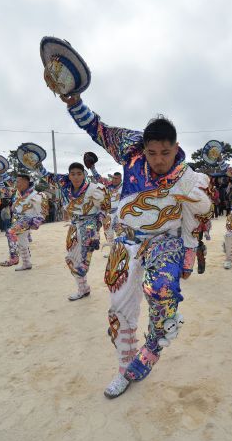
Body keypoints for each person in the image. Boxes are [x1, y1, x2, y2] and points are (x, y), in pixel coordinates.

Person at [61, 93, 213, 399]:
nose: (158, 159)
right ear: (143, 148)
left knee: (160, 289)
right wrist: (74, 101)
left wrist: (187, 253)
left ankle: (154, 346)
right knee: (119, 308)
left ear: (176, 147)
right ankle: (124, 368)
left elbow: (197, 216)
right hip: (126, 241)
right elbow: (97, 128)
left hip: (164, 241)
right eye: (152, 152)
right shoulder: (130, 150)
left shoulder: (189, 177)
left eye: (165, 152)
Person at [36, 161, 108, 300]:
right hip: (74, 225)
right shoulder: (66, 187)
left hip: (89, 225)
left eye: (79, 174)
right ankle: (83, 288)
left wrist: (95, 227)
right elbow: (48, 176)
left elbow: (104, 208)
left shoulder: (94, 189)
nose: (76, 177)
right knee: (71, 259)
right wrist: (37, 165)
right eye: (73, 174)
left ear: (84, 175)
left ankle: (84, 274)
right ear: (69, 175)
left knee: (82, 262)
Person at [0, 172, 48, 271]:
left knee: (10, 232)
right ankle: (26, 263)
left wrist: (38, 221)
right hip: (17, 219)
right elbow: (3, 190)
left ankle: (14, 258)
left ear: (26, 182)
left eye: (18, 181)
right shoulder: (16, 192)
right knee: (22, 242)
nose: (16, 183)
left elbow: (43, 210)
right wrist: (0, 177)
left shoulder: (36, 195)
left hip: (28, 219)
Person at [89, 162, 122, 248]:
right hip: (108, 212)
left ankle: (121, 250)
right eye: (113, 178)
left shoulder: (125, 187)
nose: (114, 180)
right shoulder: (108, 185)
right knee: (108, 231)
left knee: (120, 232)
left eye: (116, 178)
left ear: (120, 179)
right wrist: (93, 168)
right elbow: (98, 178)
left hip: (119, 212)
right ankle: (112, 251)